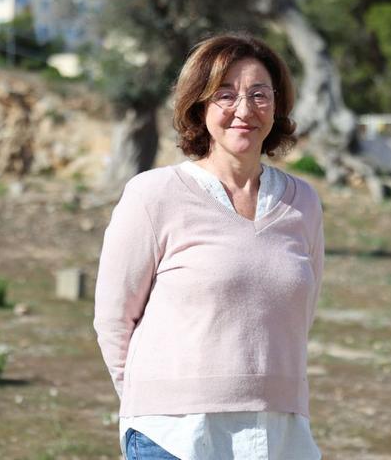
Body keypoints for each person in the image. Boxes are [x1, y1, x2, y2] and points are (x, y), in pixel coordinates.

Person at [93, 32, 324, 460]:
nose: (244, 109)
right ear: (200, 105)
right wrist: (151, 404)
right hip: (176, 438)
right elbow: (113, 318)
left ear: (277, 104)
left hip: (280, 434)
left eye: (259, 94)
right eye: (225, 94)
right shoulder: (153, 194)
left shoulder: (303, 202)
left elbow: (297, 315)